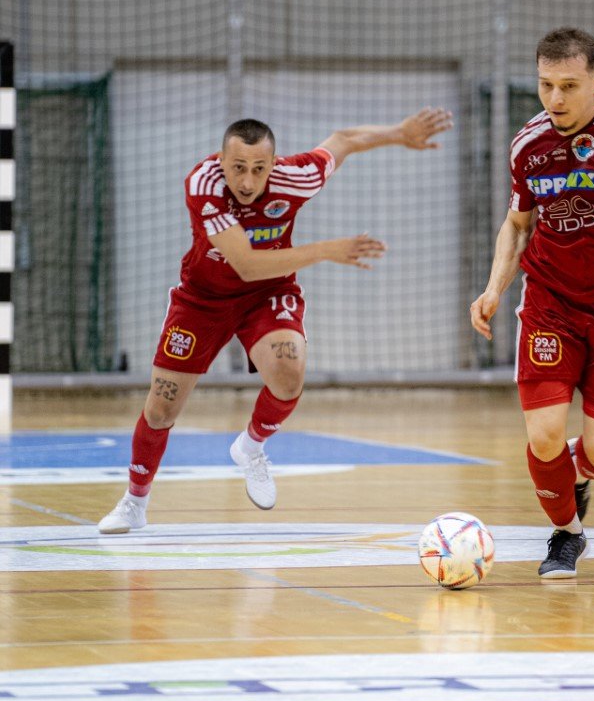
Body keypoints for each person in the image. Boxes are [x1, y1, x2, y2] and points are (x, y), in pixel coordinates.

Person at [99, 106, 453, 533]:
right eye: (238, 168)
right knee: (160, 408)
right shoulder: (203, 183)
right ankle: (135, 502)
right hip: (203, 299)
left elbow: (343, 139)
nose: (248, 182)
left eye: (259, 169)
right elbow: (247, 263)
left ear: (274, 164)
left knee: (289, 373)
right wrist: (326, 250)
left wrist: (399, 131)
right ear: (220, 160)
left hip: (267, 294)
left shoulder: (295, 177)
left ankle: (250, 447)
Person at [470, 27, 594, 579]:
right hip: (550, 301)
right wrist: (494, 287)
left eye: (569, 86)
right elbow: (517, 225)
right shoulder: (528, 143)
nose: (555, 100)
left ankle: (571, 476)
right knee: (544, 430)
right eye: (545, 85)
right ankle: (567, 534)